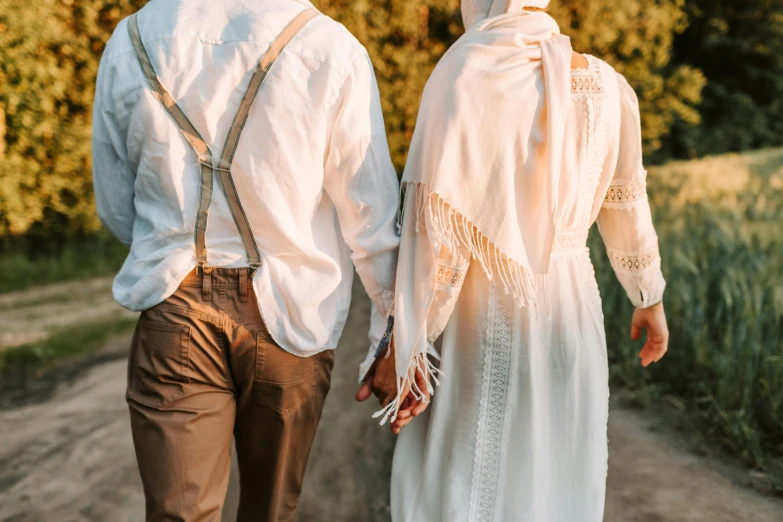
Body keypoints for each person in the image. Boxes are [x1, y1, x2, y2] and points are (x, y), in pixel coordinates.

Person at [358, 1, 670, 521]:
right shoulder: (608, 87)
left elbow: (444, 240)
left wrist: (408, 348)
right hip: (572, 308)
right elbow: (627, 203)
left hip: (482, 318)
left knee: (471, 483)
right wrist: (648, 296)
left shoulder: (464, 72)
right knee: (556, 483)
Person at [91, 0, 400, 520]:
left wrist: (169, 239)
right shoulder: (330, 47)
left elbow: (117, 206)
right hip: (292, 314)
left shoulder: (130, 39)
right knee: (271, 512)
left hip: (176, 305)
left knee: (177, 514)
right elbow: (370, 215)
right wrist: (390, 335)